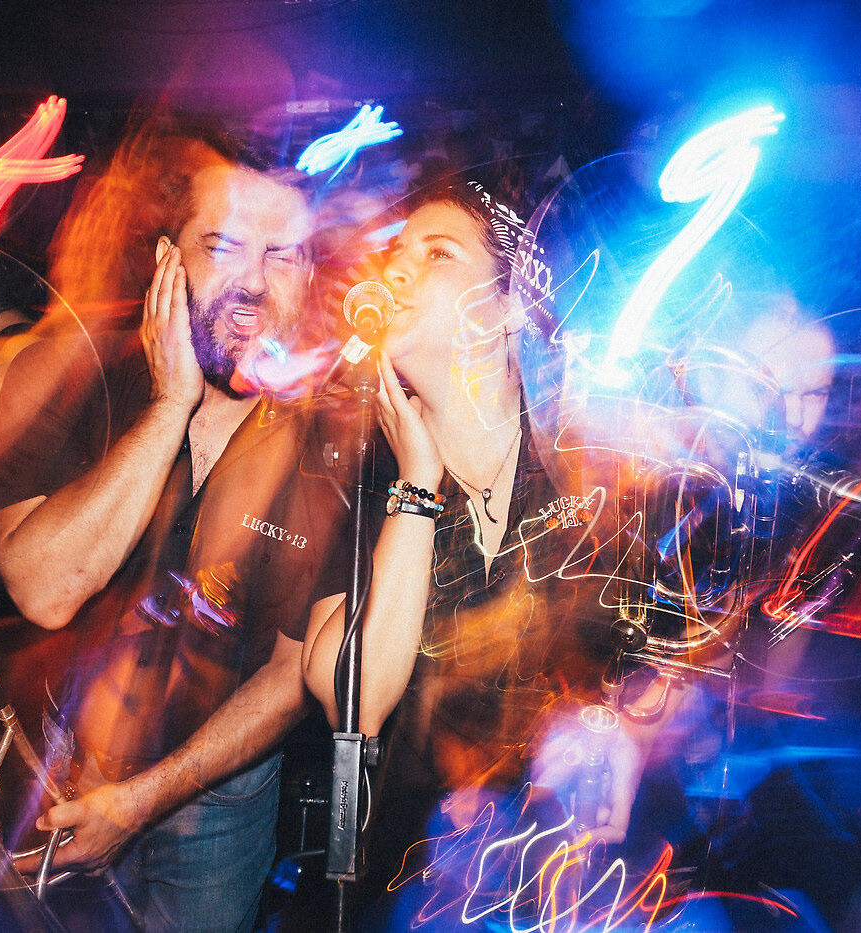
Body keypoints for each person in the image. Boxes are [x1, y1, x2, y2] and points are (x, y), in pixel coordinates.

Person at [301, 180, 681, 925]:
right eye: (396, 253)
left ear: (507, 307)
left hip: (583, 880)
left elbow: (679, 651)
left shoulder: (589, 464)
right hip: (418, 883)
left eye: (437, 253)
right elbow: (355, 702)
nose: (396, 269)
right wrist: (416, 486)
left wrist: (633, 734)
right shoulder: (358, 468)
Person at [0, 130, 341, 931]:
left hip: (220, 793)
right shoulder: (74, 373)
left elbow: (293, 673)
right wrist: (168, 406)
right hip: (62, 760)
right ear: (167, 260)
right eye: (223, 246)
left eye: (282, 255)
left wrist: (143, 799)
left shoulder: (333, 443)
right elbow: (44, 588)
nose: (253, 283)